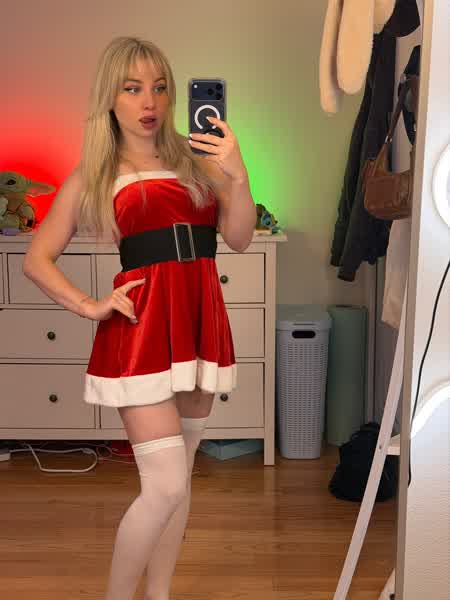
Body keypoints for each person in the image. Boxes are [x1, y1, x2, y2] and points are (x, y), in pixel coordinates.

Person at [23, 36, 256, 600]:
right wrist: (89, 305)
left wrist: (238, 174)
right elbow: (36, 259)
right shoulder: (96, 173)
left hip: (199, 324)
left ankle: (159, 594)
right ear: (111, 96)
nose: (148, 102)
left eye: (158, 87)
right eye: (132, 89)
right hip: (142, 330)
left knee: (179, 482)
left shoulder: (200, 159)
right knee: (165, 485)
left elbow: (240, 238)